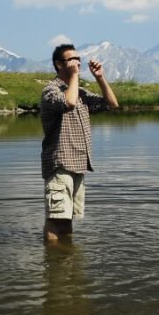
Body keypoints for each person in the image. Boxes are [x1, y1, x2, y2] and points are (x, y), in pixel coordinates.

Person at [40, 44, 119, 242]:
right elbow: (68, 103)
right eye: (72, 59)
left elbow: (112, 104)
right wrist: (75, 75)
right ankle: (53, 261)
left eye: (78, 59)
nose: (77, 63)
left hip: (78, 165)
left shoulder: (81, 92)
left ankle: (65, 258)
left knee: (67, 220)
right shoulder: (51, 90)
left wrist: (100, 77)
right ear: (59, 65)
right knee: (56, 218)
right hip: (60, 165)